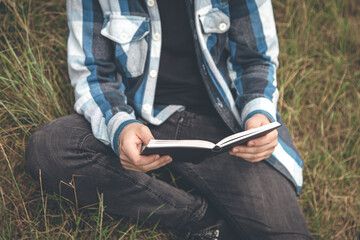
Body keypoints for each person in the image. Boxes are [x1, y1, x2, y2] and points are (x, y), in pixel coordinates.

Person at [26, 0, 312, 239]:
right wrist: (121, 126)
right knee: (52, 147)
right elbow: (93, 74)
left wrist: (257, 113)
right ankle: (201, 219)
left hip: (222, 126)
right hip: (139, 121)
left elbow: (256, 59)